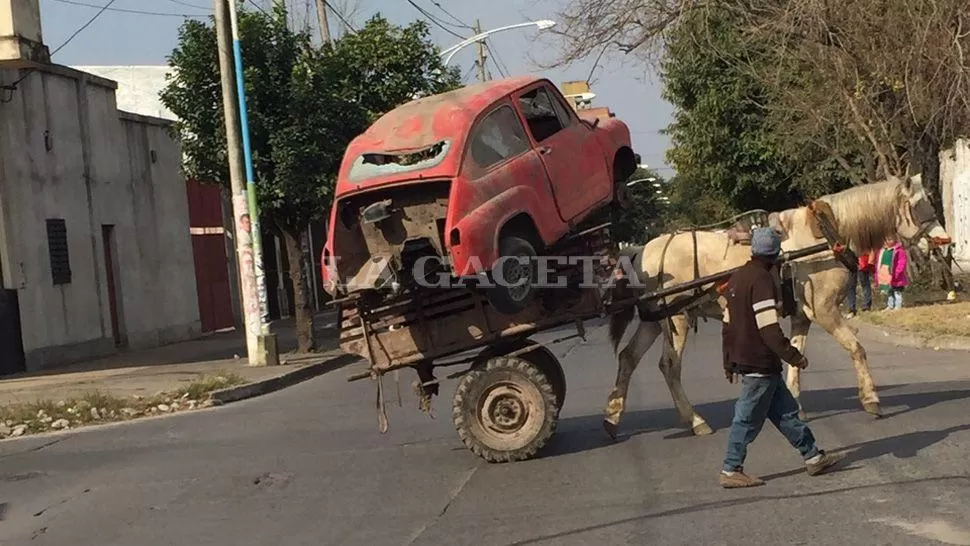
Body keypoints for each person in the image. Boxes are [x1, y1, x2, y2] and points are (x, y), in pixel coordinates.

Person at [719, 227, 845, 488]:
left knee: (787, 413)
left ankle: (812, 456)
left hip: (751, 360)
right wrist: (794, 356)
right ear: (774, 256)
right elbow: (769, 329)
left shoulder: (737, 277)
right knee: (746, 418)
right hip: (759, 362)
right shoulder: (762, 280)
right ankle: (731, 469)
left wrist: (728, 360)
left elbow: (727, 325)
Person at [877, 236, 908, 310]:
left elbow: (902, 262)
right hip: (886, 275)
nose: (888, 241)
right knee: (889, 291)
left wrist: (897, 272)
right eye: (886, 240)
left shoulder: (899, 251)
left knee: (897, 291)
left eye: (890, 240)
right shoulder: (883, 250)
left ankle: (898, 306)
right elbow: (880, 262)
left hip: (896, 275)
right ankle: (890, 305)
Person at [845, 250, 876, 318]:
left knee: (864, 283)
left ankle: (866, 307)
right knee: (851, 285)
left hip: (862, 260)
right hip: (851, 261)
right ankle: (852, 308)